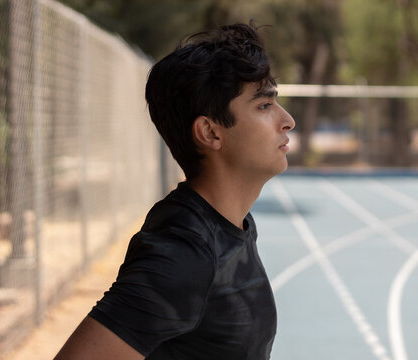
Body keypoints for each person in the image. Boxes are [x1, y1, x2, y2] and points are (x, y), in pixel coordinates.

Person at [54, 21, 295, 360]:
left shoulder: (230, 224)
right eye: (264, 106)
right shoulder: (184, 250)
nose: (287, 120)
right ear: (210, 133)